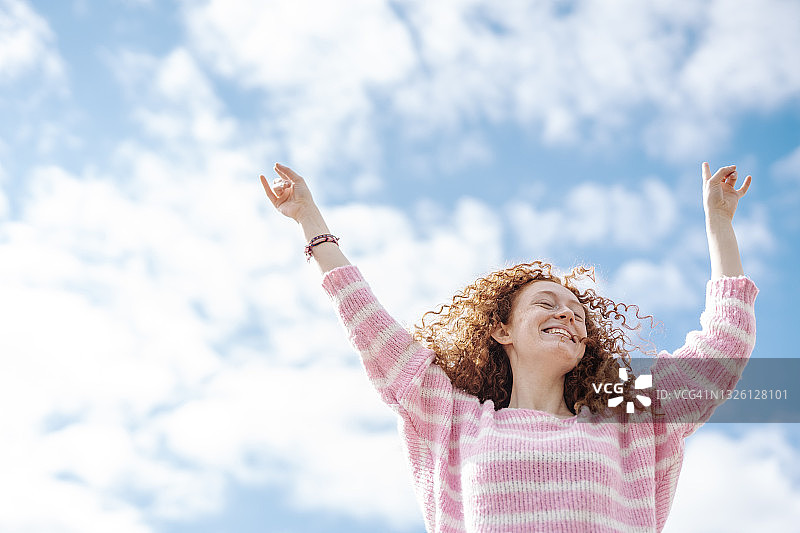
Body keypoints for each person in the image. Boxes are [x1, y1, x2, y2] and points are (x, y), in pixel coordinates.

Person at [260, 162, 758, 533]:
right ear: (501, 330)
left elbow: (721, 350)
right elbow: (370, 327)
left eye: (578, 315)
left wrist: (719, 225)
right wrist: (311, 224)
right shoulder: (454, 422)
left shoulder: (629, 422)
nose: (567, 315)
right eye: (547, 303)